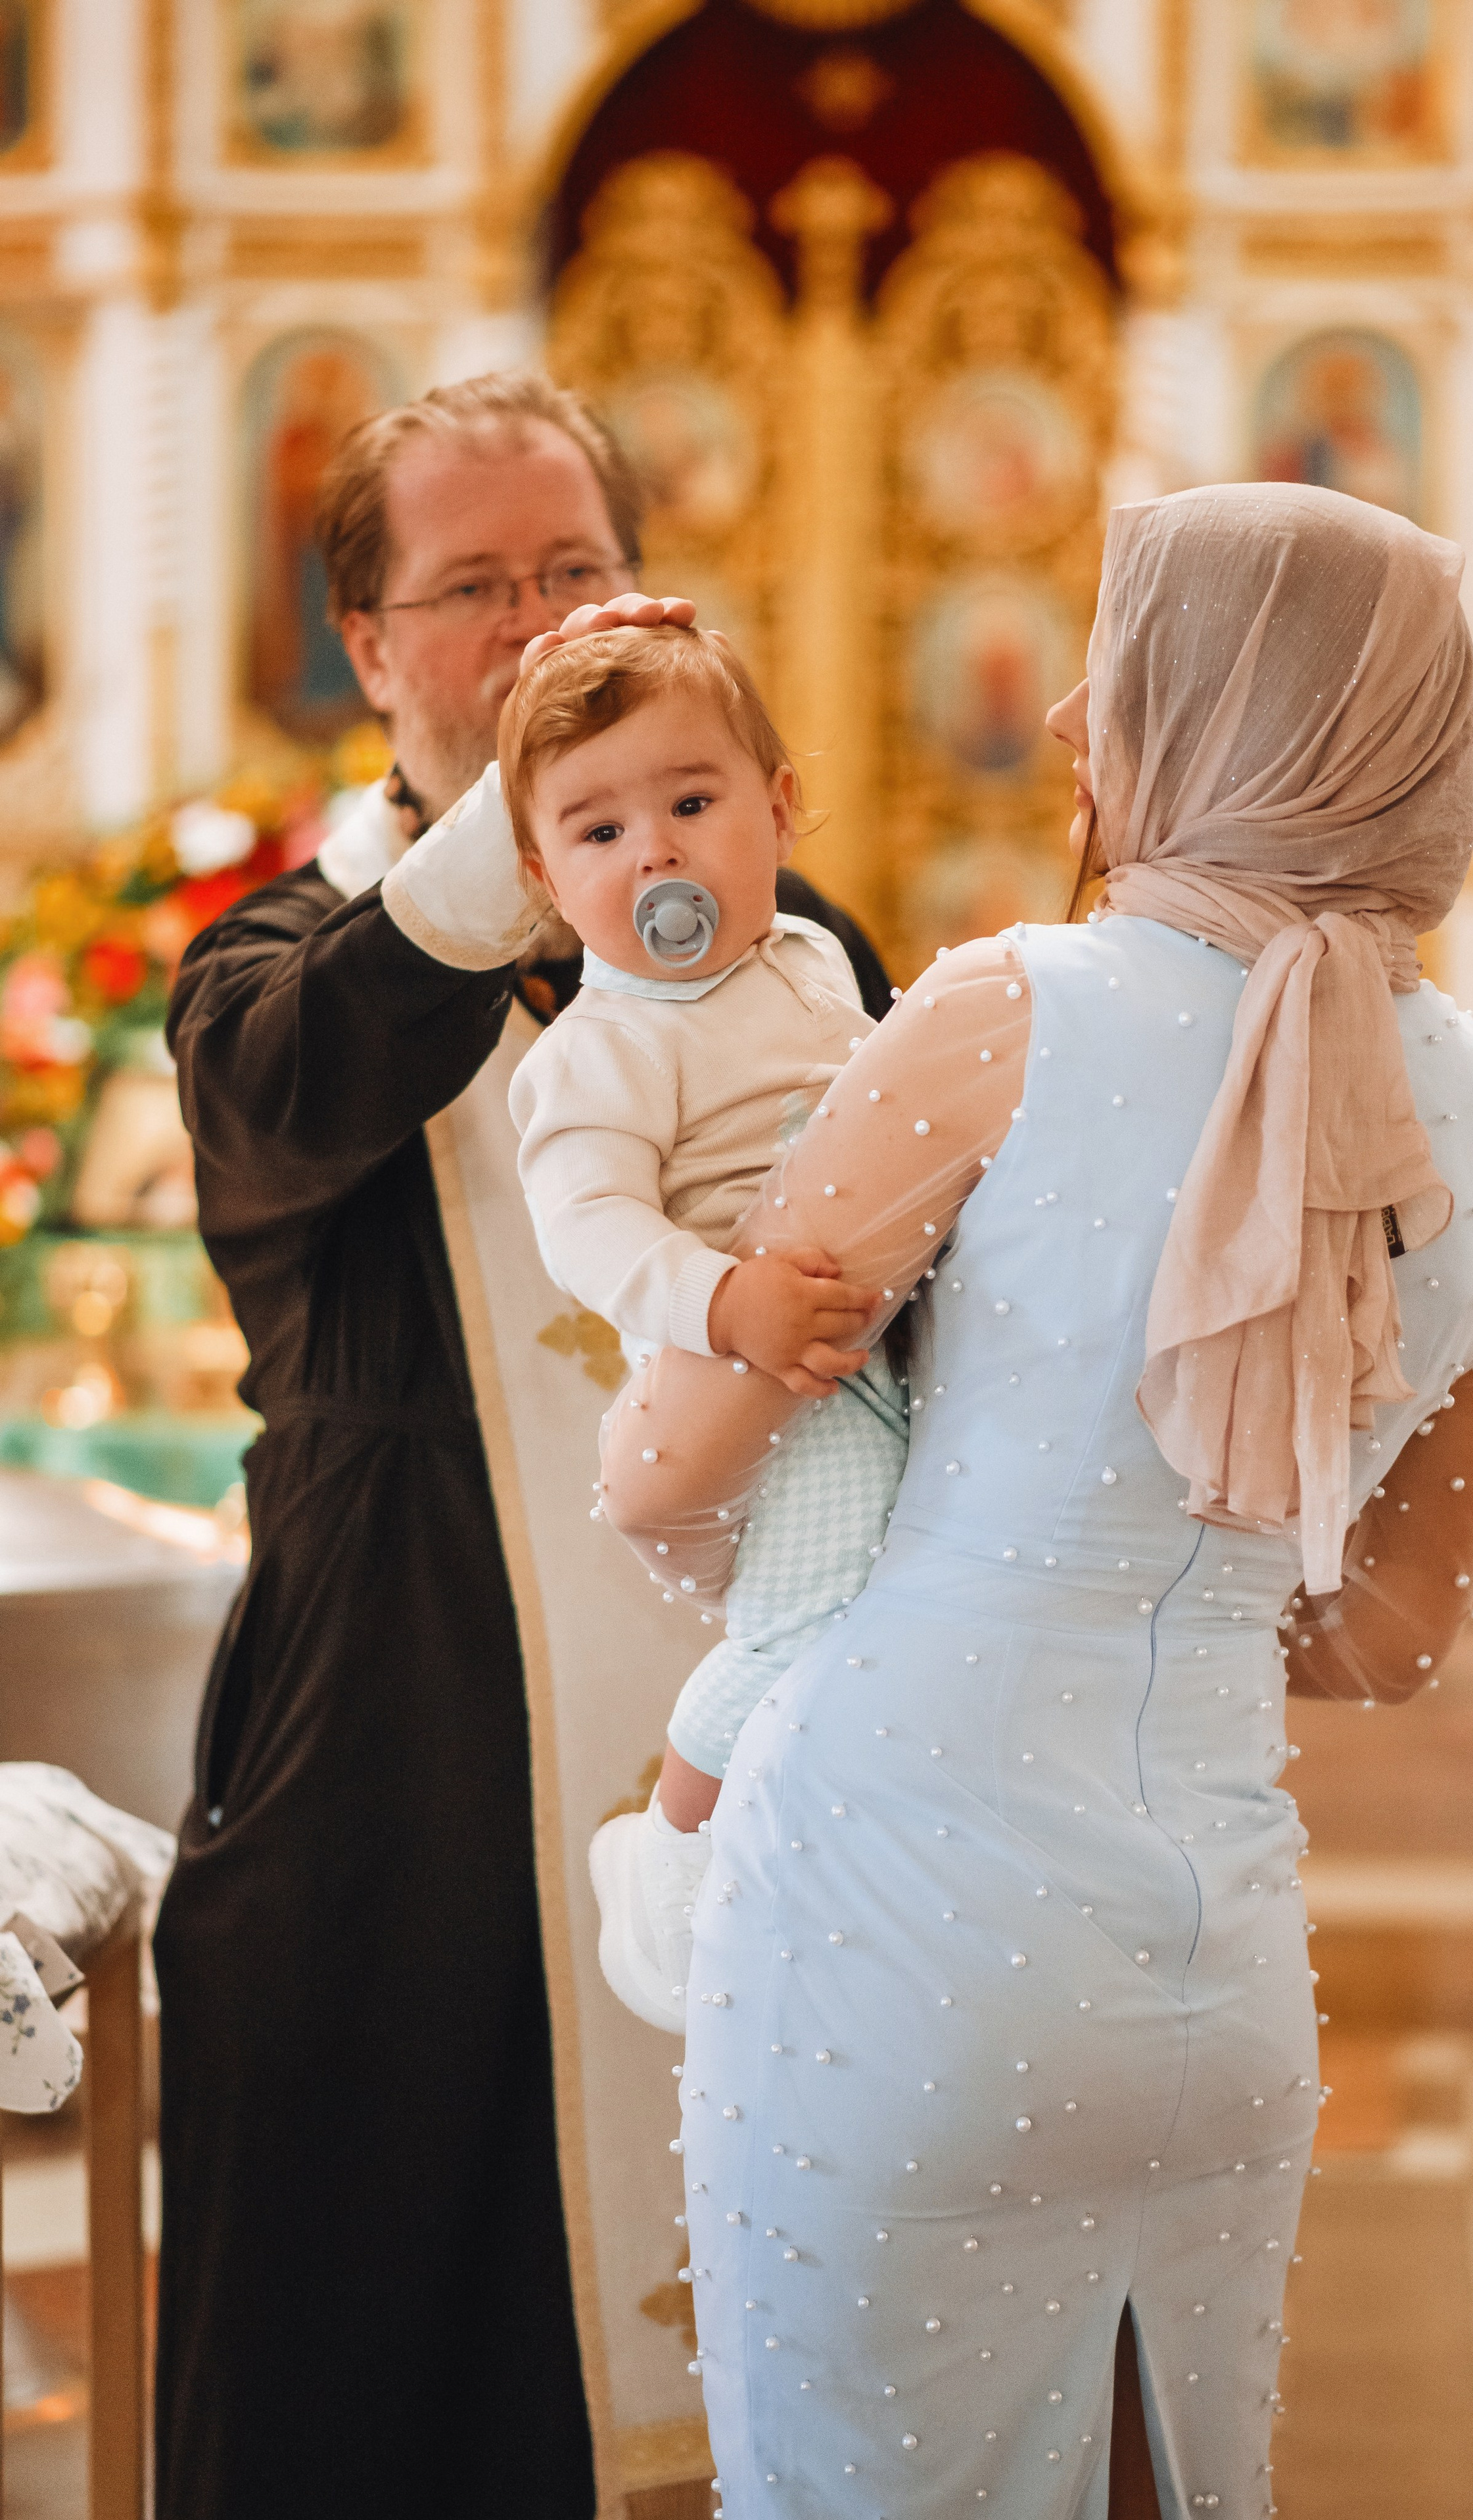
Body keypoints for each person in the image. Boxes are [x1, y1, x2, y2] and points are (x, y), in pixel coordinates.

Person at [597, 481, 1473, 2515]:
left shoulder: (1008, 1006)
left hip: (891, 1915)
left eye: (1118, 679)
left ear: (1221, 717)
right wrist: (1170, 1584)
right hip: (1219, 1973)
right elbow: (1384, 1633)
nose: (1063, 729)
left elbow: (670, 1465)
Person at [158, 371, 889, 2520]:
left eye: (578, 571)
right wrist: (513, 839)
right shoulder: (281, 965)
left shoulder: (790, 945)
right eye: (474, 591)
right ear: (372, 651)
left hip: (763, 1759)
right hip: (403, 1775)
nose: (544, 629)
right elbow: (293, 1095)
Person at [490, 623, 906, 2029]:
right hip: (755, 1390)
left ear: (779, 810)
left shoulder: (805, 958)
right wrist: (728, 1303)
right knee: (812, 1624)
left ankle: (825, 1866)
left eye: (689, 802)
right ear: (549, 881)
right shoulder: (598, 1051)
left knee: (905, 1609)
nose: (653, 855)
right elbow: (592, 1234)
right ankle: (664, 1851)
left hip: (869, 1347)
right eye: (599, 829)